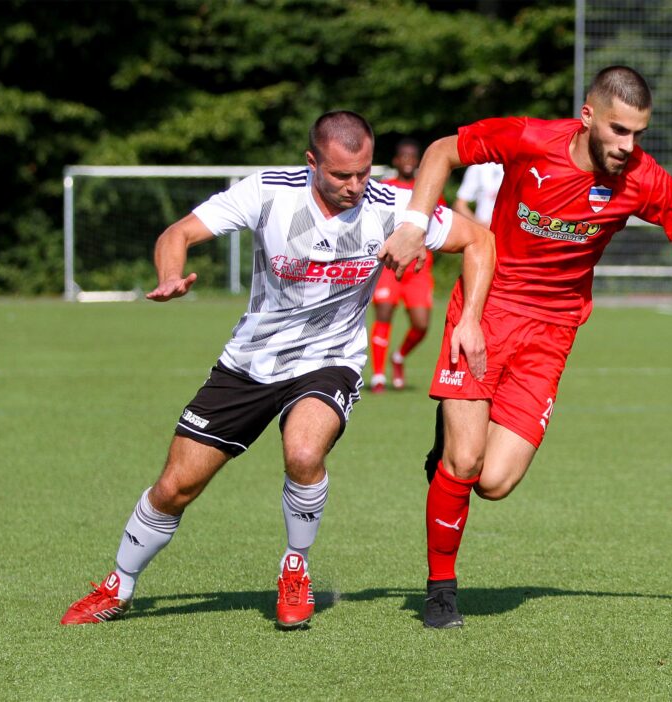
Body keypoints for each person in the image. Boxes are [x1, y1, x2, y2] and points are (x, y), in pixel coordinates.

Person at [379, 66, 672, 629]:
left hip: (552, 333)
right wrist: (416, 223)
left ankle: (449, 453)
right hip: (484, 311)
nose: (627, 145)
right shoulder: (530, 139)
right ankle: (441, 589)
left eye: (638, 133)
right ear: (587, 116)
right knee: (464, 463)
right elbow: (443, 149)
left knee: (493, 483)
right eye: (618, 130)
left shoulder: (642, 179)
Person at [60, 111, 494, 629]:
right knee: (176, 486)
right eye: (341, 175)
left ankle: (295, 568)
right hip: (248, 362)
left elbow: (480, 241)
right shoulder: (268, 192)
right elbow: (178, 233)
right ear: (312, 162)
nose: (356, 186)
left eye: (364, 172)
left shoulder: (396, 207)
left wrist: (470, 319)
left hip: (328, 362)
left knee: (304, 452)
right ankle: (119, 585)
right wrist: (171, 275)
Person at [368, 138, 446, 393]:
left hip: (418, 269)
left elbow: (441, 226)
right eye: (404, 157)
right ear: (396, 160)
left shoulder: (429, 190)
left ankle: (399, 357)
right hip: (390, 265)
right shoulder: (385, 188)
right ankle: (378, 376)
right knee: (384, 314)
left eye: (413, 158)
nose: (408, 162)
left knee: (422, 325)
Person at [452, 162, 504, 228]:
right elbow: (458, 206)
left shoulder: (518, 169)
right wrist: (481, 225)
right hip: (484, 232)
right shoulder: (479, 167)